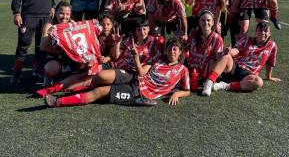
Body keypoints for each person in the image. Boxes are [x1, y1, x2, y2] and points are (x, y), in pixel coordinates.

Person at [44, 38, 190, 107]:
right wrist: (136, 58)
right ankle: (59, 89)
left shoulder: (182, 70)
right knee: (99, 77)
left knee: (100, 91)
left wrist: (177, 93)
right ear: (165, 51)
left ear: (180, 53)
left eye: (175, 49)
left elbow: (187, 90)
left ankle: (58, 101)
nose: (171, 51)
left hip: (139, 92)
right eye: (169, 49)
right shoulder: (158, 61)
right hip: (134, 77)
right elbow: (141, 74)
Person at [11, 0, 55, 83]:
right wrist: (17, 13)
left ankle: (38, 70)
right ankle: (17, 73)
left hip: (46, 17)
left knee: (42, 46)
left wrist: (52, 6)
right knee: (23, 45)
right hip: (28, 17)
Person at [202, 21, 281, 96]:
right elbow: (236, 50)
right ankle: (209, 83)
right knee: (226, 56)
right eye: (260, 30)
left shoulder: (272, 46)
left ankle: (224, 86)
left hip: (248, 75)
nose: (262, 33)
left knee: (258, 82)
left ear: (270, 33)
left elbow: (270, 62)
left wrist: (269, 76)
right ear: (256, 31)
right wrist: (230, 51)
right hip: (235, 68)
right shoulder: (247, 39)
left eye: (265, 31)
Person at [40, 1, 73, 86]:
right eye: (61, 13)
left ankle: (73, 80)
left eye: (67, 14)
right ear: (55, 13)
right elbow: (42, 47)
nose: (64, 17)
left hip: (67, 56)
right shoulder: (49, 25)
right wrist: (50, 36)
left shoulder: (72, 24)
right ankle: (48, 80)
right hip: (52, 57)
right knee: (52, 68)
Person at [187, 10, 223, 80]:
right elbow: (185, 49)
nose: (206, 22)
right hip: (191, 70)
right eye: (203, 20)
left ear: (213, 22)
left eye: (208, 20)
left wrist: (207, 78)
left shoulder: (217, 39)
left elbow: (215, 61)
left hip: (206, 73)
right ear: (199, 22)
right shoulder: (193, 33)